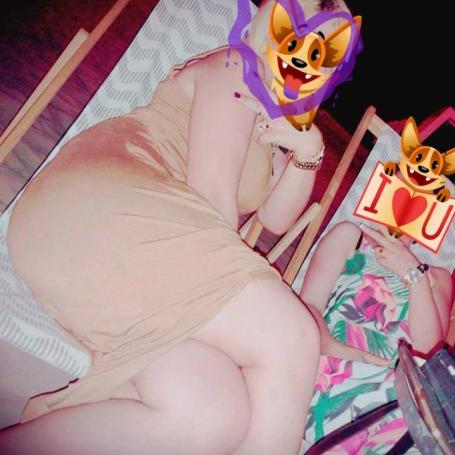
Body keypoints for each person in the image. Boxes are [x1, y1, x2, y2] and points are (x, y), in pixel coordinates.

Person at [0, 1, 357, 454]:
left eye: (323, 44)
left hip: (129, 270)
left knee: (211, 413)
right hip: (104, 212)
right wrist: (263, 320)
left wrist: (308, 150)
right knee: (291, 337)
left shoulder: (273, 123)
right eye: (291, 18)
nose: (301, 41)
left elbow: (275, 219)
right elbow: (212, 203)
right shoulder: (235, 67)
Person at [299, 221, 453, 453]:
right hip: (330, 368)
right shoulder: (350, 237)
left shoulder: (436, 278)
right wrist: (344, 353)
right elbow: (308, 307)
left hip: (398, 392)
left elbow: (427, 353)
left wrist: (414, 276)